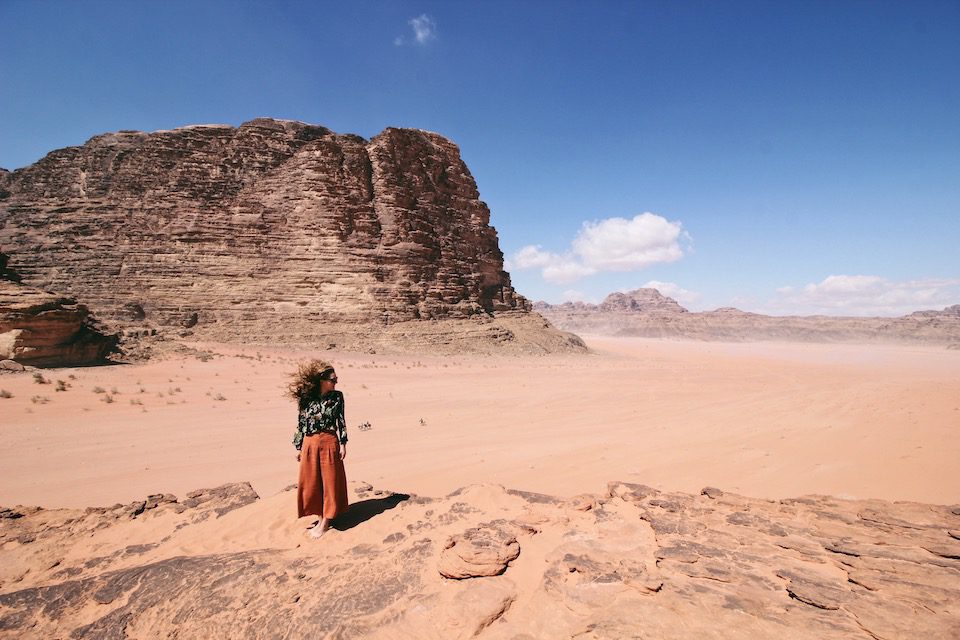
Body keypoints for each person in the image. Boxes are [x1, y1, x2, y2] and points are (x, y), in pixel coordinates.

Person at [288, 360, 348, 538]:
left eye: (336, 379)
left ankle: (326, 521)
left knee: (330, 481)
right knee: (312, 481)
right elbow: (300, 423)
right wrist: (299, 447)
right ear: (322, 379)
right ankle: (320, 516)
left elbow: (341, 421)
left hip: (329, 440)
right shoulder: (306, 398)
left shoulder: (337, 397)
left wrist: (343, 443)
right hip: (309, 442)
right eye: (333, 379)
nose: (336, 382)